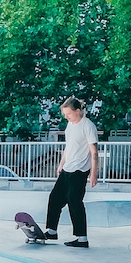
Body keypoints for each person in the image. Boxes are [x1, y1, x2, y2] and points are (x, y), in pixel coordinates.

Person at [42, 97, 99, 248]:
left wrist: (93, 174)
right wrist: (61, 163)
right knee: (55, 198)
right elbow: (69, 146)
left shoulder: (88, 126)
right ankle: (51, 231)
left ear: (78, 111)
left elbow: (94, 152)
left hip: (79, 171)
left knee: (74, 202)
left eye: (68, 114)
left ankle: (82, 239)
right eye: (64, 114)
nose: (66, 117)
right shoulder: (70, 125)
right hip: (67, 168)